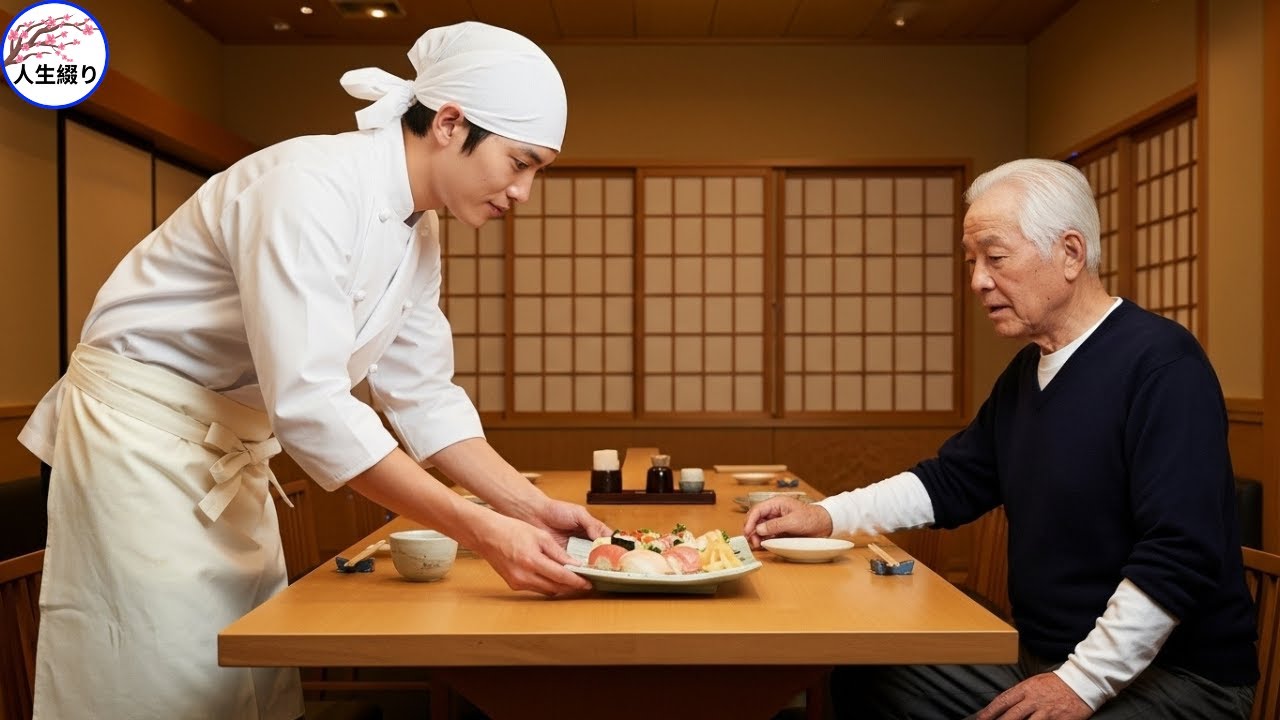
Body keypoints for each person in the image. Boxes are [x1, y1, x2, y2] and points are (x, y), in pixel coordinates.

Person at [18, 21, 611, 720]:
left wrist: (529, 507)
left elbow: (423, 395)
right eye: (521, 162)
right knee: (162, 685)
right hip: (134, 443)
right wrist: (479, 529)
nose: (524, 193)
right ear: (450, 123)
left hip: (223, 448)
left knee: (252, 683)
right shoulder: (310, 186)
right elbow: (313, 405)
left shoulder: (418, 232)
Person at [745, 159, 1258, 719]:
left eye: (995, 257)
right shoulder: (1026, 372)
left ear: (1070, 252)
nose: (978, 281)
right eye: (972, 262)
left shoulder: (1162, 364)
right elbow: (950, 481)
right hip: (1043, 657)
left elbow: (1179, 552)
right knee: (867, 672)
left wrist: (1078, 685)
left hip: (1176, 678)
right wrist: (823, 516)